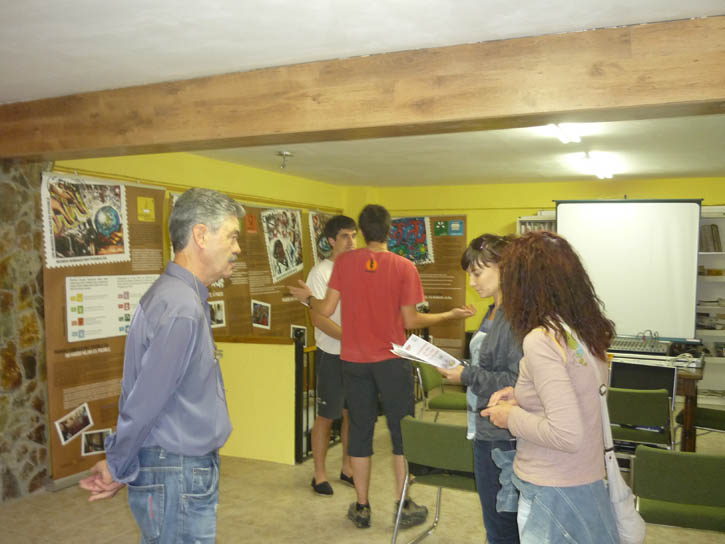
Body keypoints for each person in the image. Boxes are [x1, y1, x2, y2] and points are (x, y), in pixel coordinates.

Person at [289, 204, 475, 530]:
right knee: (402, 433)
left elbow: (326, 308)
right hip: (391, 362)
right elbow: (411, 320)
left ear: (361, 232)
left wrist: (307, 299)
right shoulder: (404, 266)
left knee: (360, 432)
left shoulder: (344, 263)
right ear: (390, 231)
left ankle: (362, 507)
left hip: (353, 362)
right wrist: (449, 315)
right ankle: (404, 504)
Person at [79, 188, 244, 544]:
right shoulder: (181, 307)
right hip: (176, 470)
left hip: (176, 468)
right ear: (201, 235)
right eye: (232, 236)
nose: (237, 248)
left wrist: (120, 463)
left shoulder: (176, 296)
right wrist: (118, 464)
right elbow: (145, 401)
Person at [481, 231, 619, 543]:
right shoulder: (578, 332)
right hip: (584, 476)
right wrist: (521, 395)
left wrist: (509, 416)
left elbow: (566, 434)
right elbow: (578, 390)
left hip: (553, 484)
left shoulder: (541, 339)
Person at [437, 234, 521, 544]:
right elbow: (487, 364)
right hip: (483, 424)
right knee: (496, 519)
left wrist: (466, 375)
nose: (472, 282)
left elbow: (515, 382)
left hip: (502, 433)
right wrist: (462, 368)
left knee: (502, 525)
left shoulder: (514, 317)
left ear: (504, 268)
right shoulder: (492, 310)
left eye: (477, 273)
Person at [307, 214, 358, 496]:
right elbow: (319, 319)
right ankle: (319, 475)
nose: (351, 241)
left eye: (354, 235)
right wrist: (350, 338)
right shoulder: (321, 273)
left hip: (356, 356)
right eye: (344, 236)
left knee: (352, 414)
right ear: (331, 241)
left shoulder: (358, 270)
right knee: (327, 416)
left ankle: (347, 468)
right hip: (331, 354)